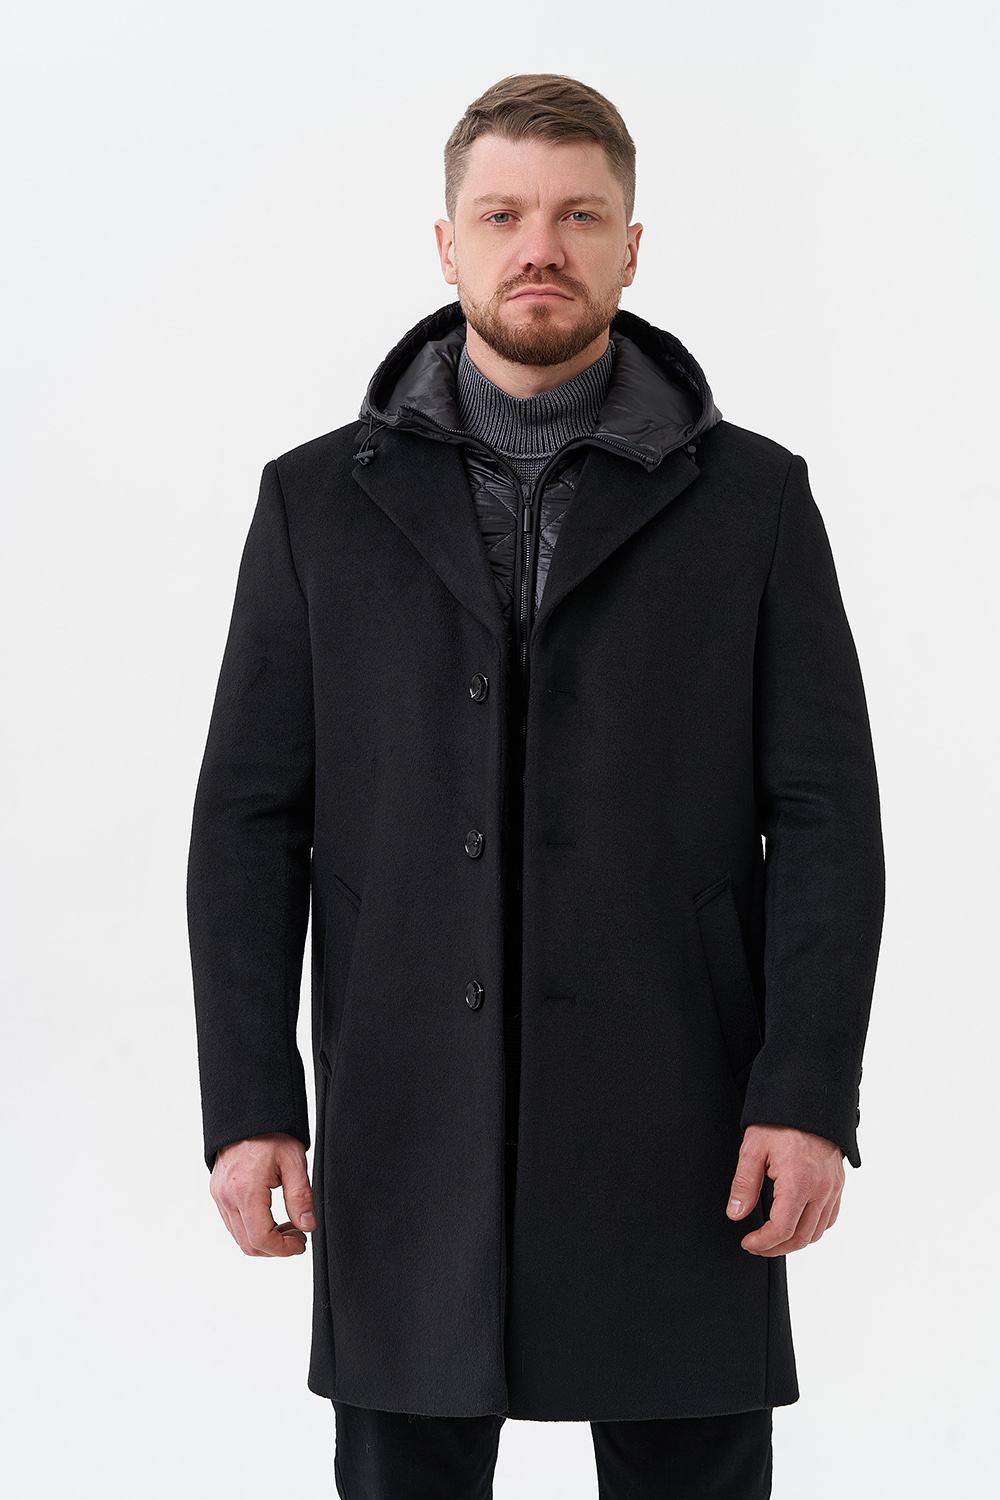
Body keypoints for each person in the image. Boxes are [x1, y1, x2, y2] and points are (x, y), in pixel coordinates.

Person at [187, 73, 885, 1499]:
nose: (540, 248)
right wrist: (252, 1099)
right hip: (402, 1107)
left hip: (684, 1104)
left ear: (633, 245)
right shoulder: (315, 503)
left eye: (580, 215)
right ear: (448, 245)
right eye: (503, 215)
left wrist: (808, 1092)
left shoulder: (753, 501)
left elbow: (826, 816)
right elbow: (250, 819)